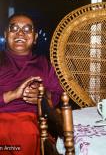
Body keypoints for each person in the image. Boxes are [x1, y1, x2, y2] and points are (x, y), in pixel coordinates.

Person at [0, 13, 63, 155]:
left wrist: (42, 96)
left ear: (34, 38)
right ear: (6, 34)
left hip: (29, 122)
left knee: (26, 131)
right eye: (14, 28)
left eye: (27, 29)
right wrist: (11, 95)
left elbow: (58, 94)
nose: (20, 32)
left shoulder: (43, 64)